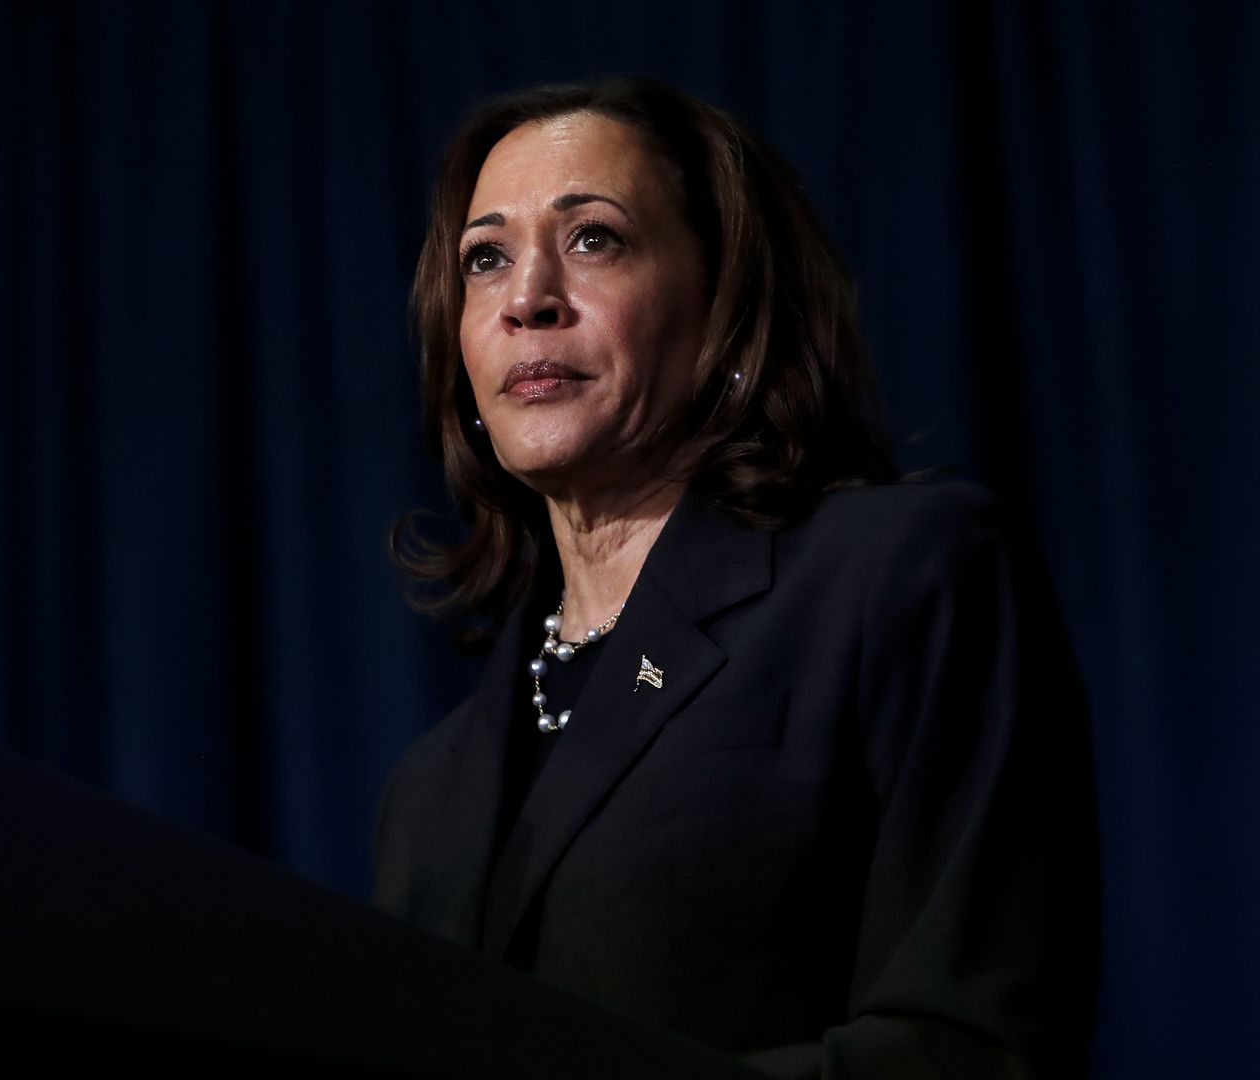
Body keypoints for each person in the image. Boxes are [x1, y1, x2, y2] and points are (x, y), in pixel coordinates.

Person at [373, 76, 1097, 1079]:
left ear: (725, 304)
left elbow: (972, 1046)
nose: (527, 299)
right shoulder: (430, 789)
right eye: (485, 260)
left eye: (594, 239)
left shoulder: (902, 579)